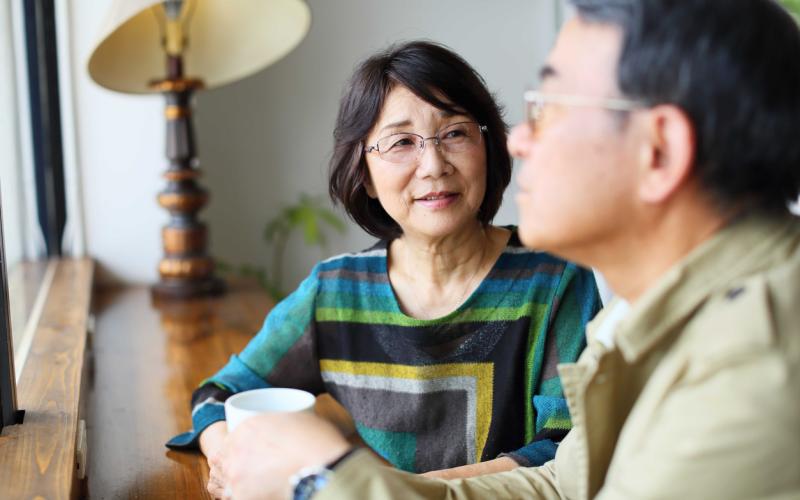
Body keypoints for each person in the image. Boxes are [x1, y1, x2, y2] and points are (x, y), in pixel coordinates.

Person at [209, 0, 800, 499]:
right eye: (402, 143)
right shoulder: (641, 314)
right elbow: (556, 485)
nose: (517, 140)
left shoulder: (756, 369)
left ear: (659, 150)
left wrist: (320, 481)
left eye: (551, 107)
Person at [166, 40, 601, 495]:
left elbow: (567, 449)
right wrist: (225, 456)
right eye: (401, 143)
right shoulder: (336, 293)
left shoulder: (558, 279)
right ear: (364, 175)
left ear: (487, 146)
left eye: (455, 132)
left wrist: (395, 490)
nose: (433, 165)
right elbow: (218, 395)